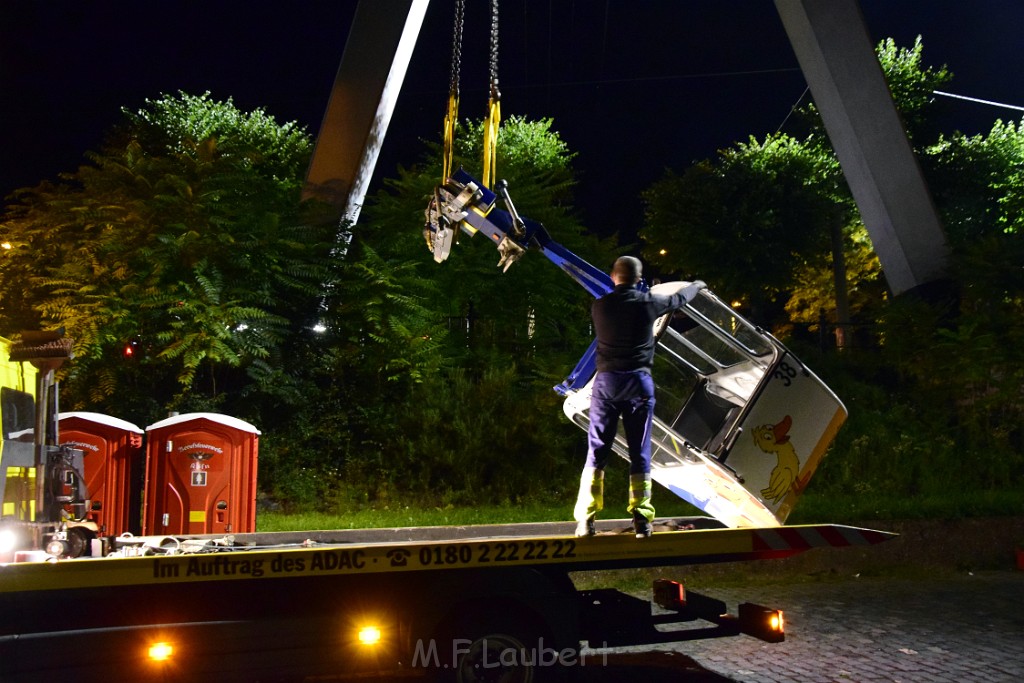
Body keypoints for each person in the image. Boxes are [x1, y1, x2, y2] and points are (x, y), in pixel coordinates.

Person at [574, 256, 705, 538]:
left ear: (613, 277)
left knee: (597, 450)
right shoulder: (649, 305)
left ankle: (586, 520)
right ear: (639, 278)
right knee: (639, 452)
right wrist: (697, 284)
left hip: (606, 383)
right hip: (638, 383)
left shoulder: (600, 306)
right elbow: (679, 299)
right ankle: (642, 522)